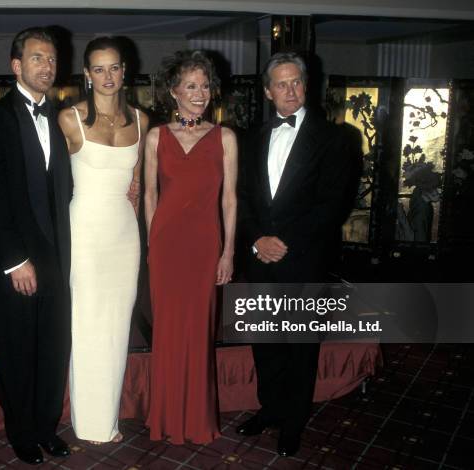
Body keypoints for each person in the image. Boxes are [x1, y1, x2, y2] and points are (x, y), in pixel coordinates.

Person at [236, 52, 354, 457]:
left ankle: (293, 421)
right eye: (281, 84)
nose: (290, 90)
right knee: (265, 341)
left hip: (304, 257)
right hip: (258, 257)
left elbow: (331, 205)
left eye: (296, 82)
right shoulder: (250, 136)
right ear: (268, 91)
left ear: (307, 85)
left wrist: (281, 243)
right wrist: (256, 241)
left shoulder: (337, 138)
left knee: (300, 346)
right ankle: (270, 409)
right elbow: (242, 198)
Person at [0, 27, 72, 465]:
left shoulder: (67, 118)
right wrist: (16, 261)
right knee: (15, 351)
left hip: (59, 258)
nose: (46, 66)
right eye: (36, 58)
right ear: (16, 66)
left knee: (52, 349)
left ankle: (46, 427)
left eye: (51, 59)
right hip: (13, 262)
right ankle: (22, 433)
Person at [58, 37, 148, 445]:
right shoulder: (68, 119)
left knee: (116, 326)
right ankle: (89, 422)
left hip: (124, 233)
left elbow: (138, 182)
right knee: (87, 324)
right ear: (87, 75)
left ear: (124, 71)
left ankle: (107, 417)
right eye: (99, 68)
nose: (108, 76)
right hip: (85, 231)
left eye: (114, 68)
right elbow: (52, 184)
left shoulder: (142, 121)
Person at [144, 50, 238, 444]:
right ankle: (164, 417)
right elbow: (149, 193)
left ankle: (196, 420)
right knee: (166, 331)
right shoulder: (156, 136)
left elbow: (230, 199)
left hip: (204, 246)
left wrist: (228, 251)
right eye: (190, 86)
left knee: (199, 332)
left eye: (205, 86)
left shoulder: (225, 137)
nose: (199, 93)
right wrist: (152, 245)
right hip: (166, 246)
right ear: (173, 90)